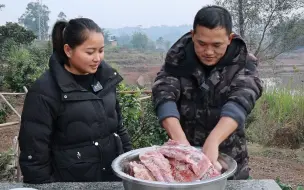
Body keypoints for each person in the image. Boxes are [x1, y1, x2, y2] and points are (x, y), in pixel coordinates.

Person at [152, 5, 263, 180]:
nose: (209, 52)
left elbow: (242, 99)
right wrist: (181, 144)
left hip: (229, 157)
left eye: (216, 45)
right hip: (183, 157)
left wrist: (213, 141)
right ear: (193, 35)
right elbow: (163, 93)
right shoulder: (177, 59)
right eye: (201, 44)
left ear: (229, 38)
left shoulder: (243, 62)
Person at [18, 18, 132, 184]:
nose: (97, 58)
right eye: (90, 52)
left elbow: (118, 128)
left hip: (111, 180)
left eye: (101, 51)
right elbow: (34, 155)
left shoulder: (106, 81)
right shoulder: (45, 91)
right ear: (68, 50)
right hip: (70, 183)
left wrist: (130, 163)